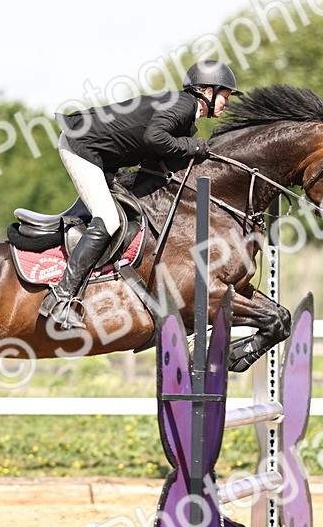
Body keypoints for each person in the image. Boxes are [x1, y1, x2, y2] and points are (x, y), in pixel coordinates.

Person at [40, 60, 241, 330]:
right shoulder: (184, 106)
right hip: (82, 146)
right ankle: (61, 298)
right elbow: (154, 139)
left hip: (102, 156)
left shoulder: (184, 111)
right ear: (207, 91)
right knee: (109, 219)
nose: (226, 103)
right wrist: (193, 146)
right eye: (225, 96)